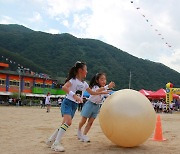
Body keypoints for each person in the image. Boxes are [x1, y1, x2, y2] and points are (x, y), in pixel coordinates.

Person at [46, 61, 108, 152]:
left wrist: (102, 92)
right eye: (85, 70)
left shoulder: (84, 84)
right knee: (68, 122)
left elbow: (92, 92)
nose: (87, 72)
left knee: (64, 124)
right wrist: (74, 95)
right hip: (67, 103)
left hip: (74, 105)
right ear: (80, 70)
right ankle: (56, 143)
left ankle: (51, 139)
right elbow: (64, 87)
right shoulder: (73, 80)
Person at [77, 73, 115, 142]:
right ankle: (79, 131)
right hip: (90, 104)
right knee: (83, 120)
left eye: (105, 79)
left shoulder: (104, 90)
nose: (104, 81)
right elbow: (98, 91)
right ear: (97, 81)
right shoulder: (95, 87)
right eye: (102, 79)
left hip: (97, 106)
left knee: (90, 122)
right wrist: (107, 86)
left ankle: (84, 135)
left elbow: (109, 96)